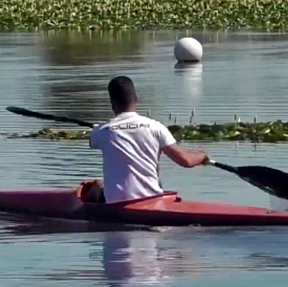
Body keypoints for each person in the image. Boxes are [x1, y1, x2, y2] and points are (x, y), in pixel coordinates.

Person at [81, 76, 210, 204]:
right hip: (152, 199)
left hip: (116, 204)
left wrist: (100, 127)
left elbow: (93, 141)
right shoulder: (156, 127)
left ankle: (84, 213)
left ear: (112, 104)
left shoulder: (103, 132)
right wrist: (202, 156)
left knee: (97, 185)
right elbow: (186, 160)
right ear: (136, 99)